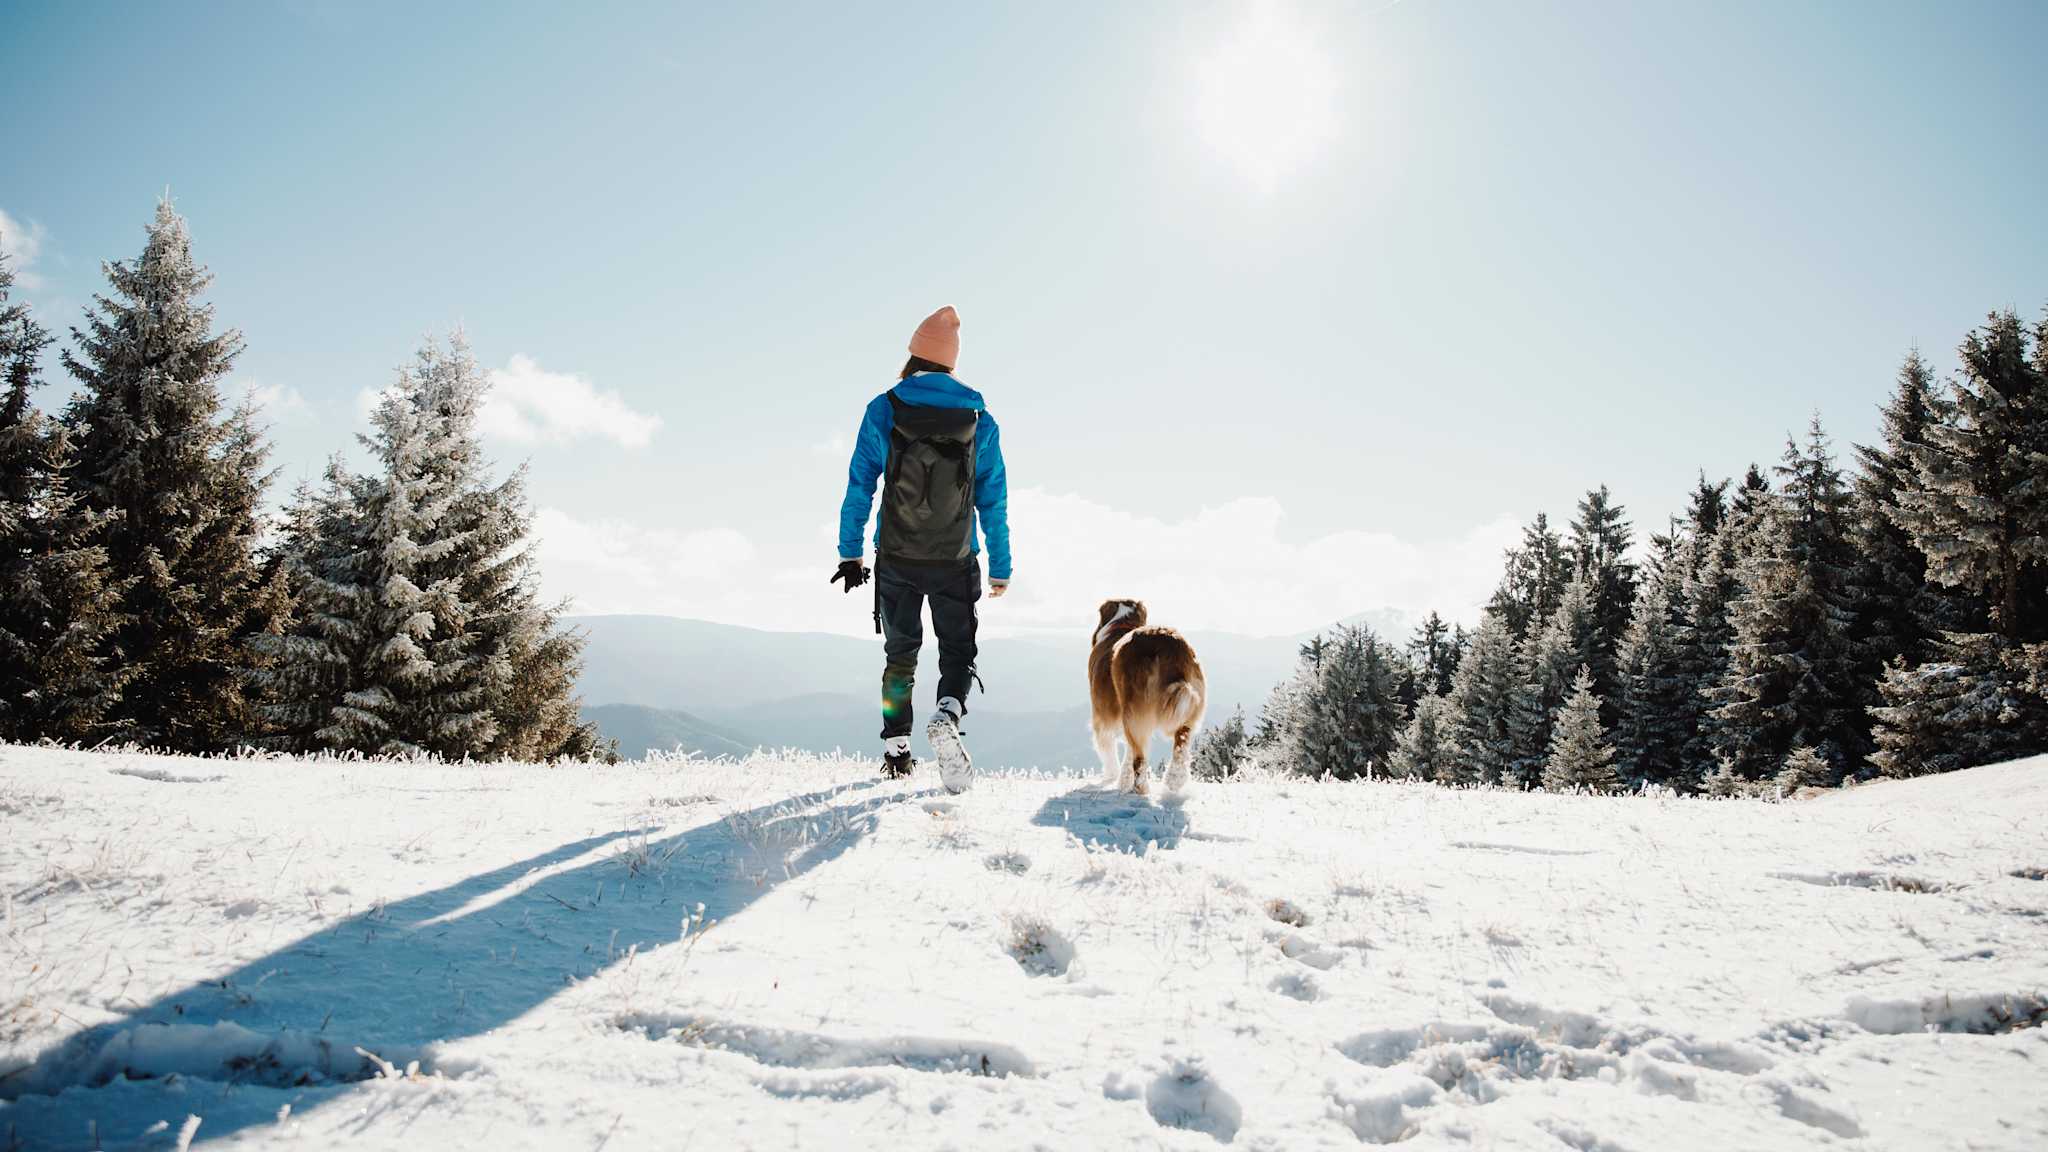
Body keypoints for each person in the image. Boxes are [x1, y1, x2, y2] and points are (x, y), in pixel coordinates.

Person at [831, 306, 1010, 793]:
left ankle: (897, 750)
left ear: (912, 356)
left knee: (900, 653)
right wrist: (1001, 566)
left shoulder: (885, 407)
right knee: (957, 649)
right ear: (952, 363)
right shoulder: (978, 418)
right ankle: (948, 712)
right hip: (955, 558)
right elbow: (992, 496)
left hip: (897, 555)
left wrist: (851, 554)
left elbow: (860, 484)